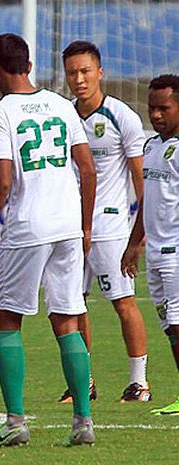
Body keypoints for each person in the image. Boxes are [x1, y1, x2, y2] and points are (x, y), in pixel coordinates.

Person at [0, 33, 97, 446]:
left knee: (8, 321)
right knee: (67, 321)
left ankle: (15, 423)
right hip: (68, 226)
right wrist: (86, 226)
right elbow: (88, 169)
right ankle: (83, 423)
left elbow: (2, 178)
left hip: (28, 227)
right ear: (29, 64)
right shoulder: (62, 104)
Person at [60, 40, 149, 403]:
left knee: (123, 302)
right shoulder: (63, 115)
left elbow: (141, 180)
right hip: (69, 227)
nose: (79, 79)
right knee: (72, 304)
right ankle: (86, 382)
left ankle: (138, 382)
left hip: (110, 229)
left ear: (100, 72)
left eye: (85, 71)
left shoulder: (122, 116)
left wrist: (138, 237)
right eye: (71, 73)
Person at [122, 74, 179, 416]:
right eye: (151, 108)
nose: (156, 115)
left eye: (164, 108)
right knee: (169, 329)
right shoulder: (152, 146)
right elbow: (148, 200)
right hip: (156, 253)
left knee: (177, 324)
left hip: (177, 253)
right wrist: (134, 242)